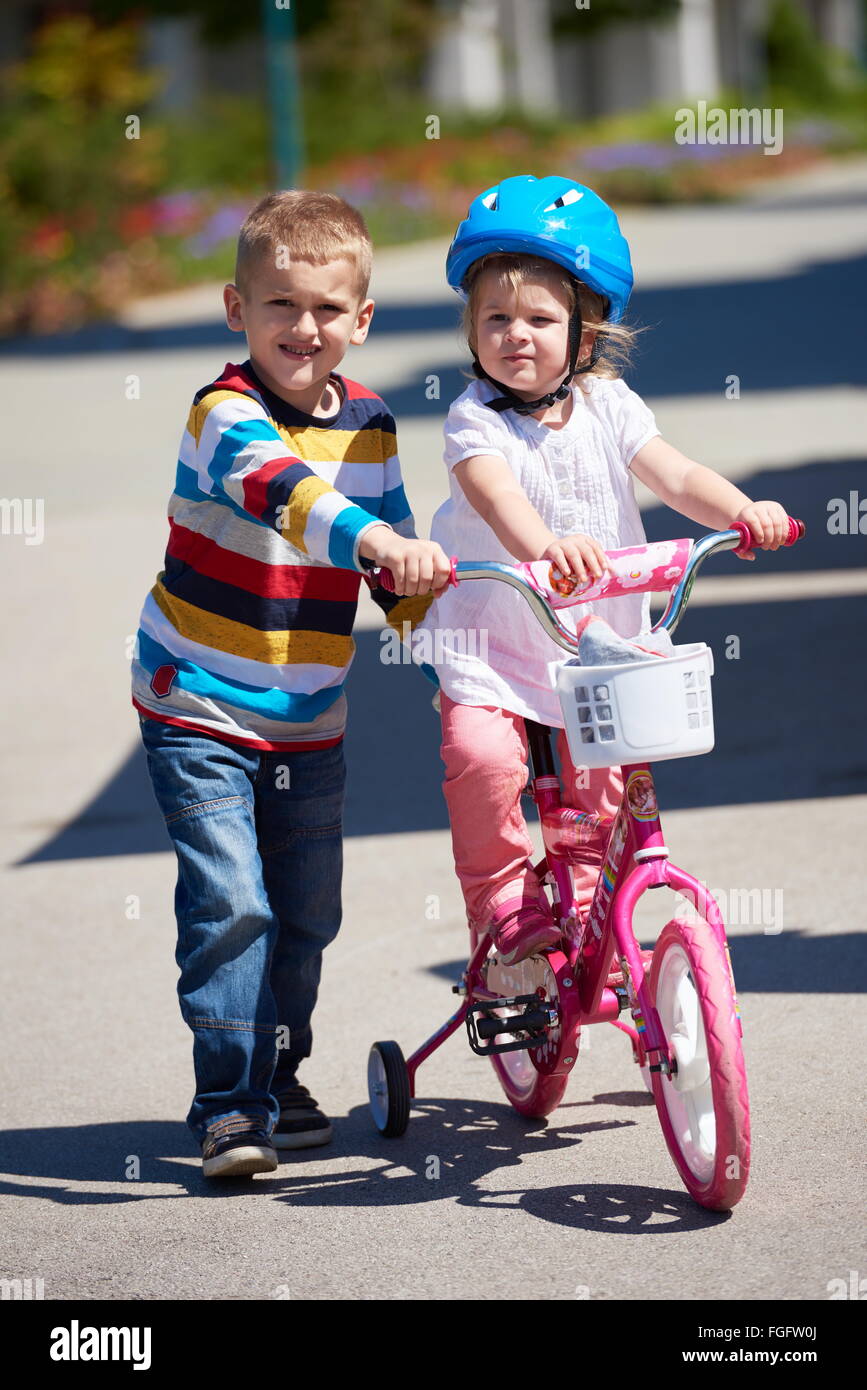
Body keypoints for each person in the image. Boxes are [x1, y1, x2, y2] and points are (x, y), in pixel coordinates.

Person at [131, 190, 451, 1178]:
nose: (301, 329)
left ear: (362, 320)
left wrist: (437, 626)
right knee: (234, 902)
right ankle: (229, 1105)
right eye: (278, 305)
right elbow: (290, 497)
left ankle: (279, 1068)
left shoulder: (372, 425)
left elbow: (388, 569)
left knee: (308, 916)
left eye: (324, 308)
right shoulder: (221, 413)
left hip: (310, 716)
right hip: (198, 697)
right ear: (237, 308)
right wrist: (386, 543)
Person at [418, 174, 790, 968]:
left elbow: (674, 474)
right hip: (495, 640)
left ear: (585, 335)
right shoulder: (471, 419)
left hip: (597, 641)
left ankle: (588, 909)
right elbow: (496, 497)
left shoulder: (609, 404)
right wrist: (544, 547)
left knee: (600, 788)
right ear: (470, 329)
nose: (515, 334)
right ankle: (505, 911)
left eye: (539, 319)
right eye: (495, 318)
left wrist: (739, 511)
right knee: (482, 761)